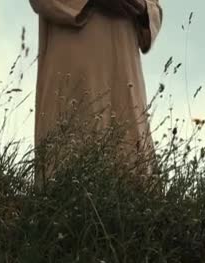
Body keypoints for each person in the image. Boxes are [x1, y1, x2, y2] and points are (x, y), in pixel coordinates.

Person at [29, 0, 163, 190]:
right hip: (73, 64)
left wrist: (142, 8)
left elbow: (152, 8)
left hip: (124, 69)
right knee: (69, 170)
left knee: (132, 172)